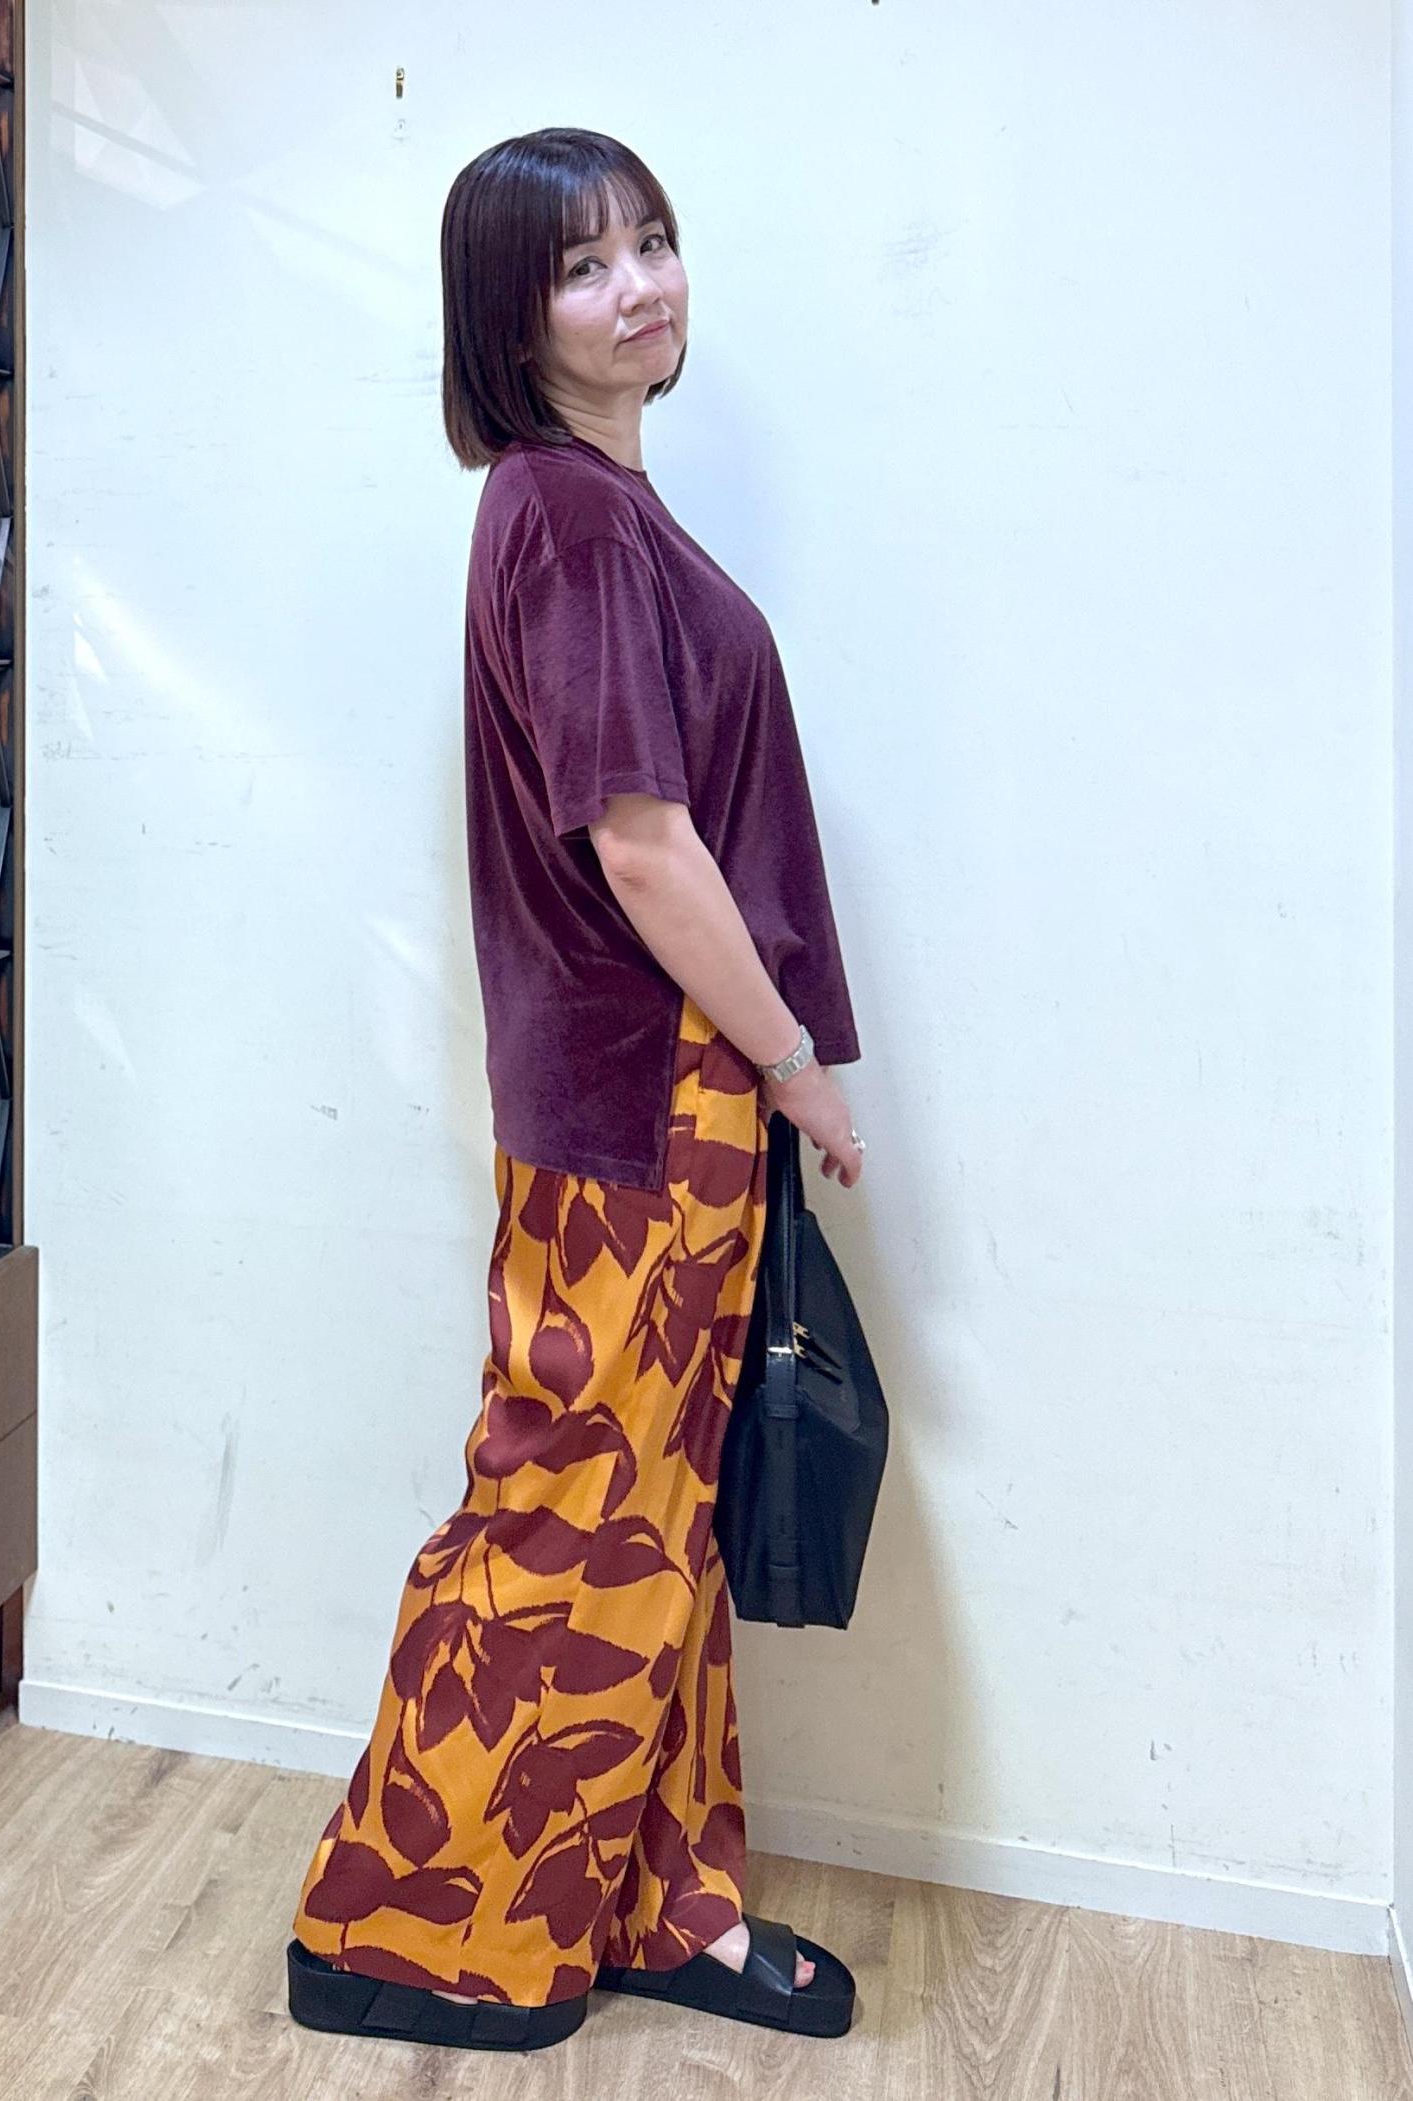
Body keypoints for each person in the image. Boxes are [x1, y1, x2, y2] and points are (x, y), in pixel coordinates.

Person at [285, 126, 868, 2056]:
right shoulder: (574, 516)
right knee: (574, 1511)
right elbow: (639, 842)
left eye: (655, 242)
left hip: (638, 1095)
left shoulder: (594, 509)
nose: (642, 287)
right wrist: (793, 1063)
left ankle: (653, 1897)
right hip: (649, 1097)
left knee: (650, 1513)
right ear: (509, 318)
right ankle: (398, 1924)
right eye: (585, 266)